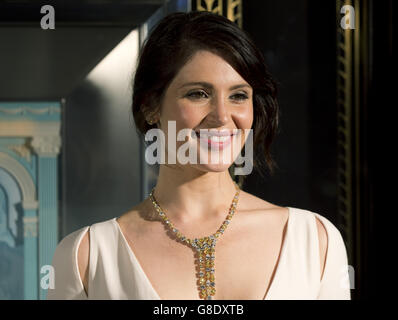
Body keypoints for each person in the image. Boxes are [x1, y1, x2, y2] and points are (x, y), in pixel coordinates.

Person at [47, 11, 351, 300]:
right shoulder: (87, 256)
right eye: (198, 94)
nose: (221, 116)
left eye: (238, 96)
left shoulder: (314, 241)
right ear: (150, 106)